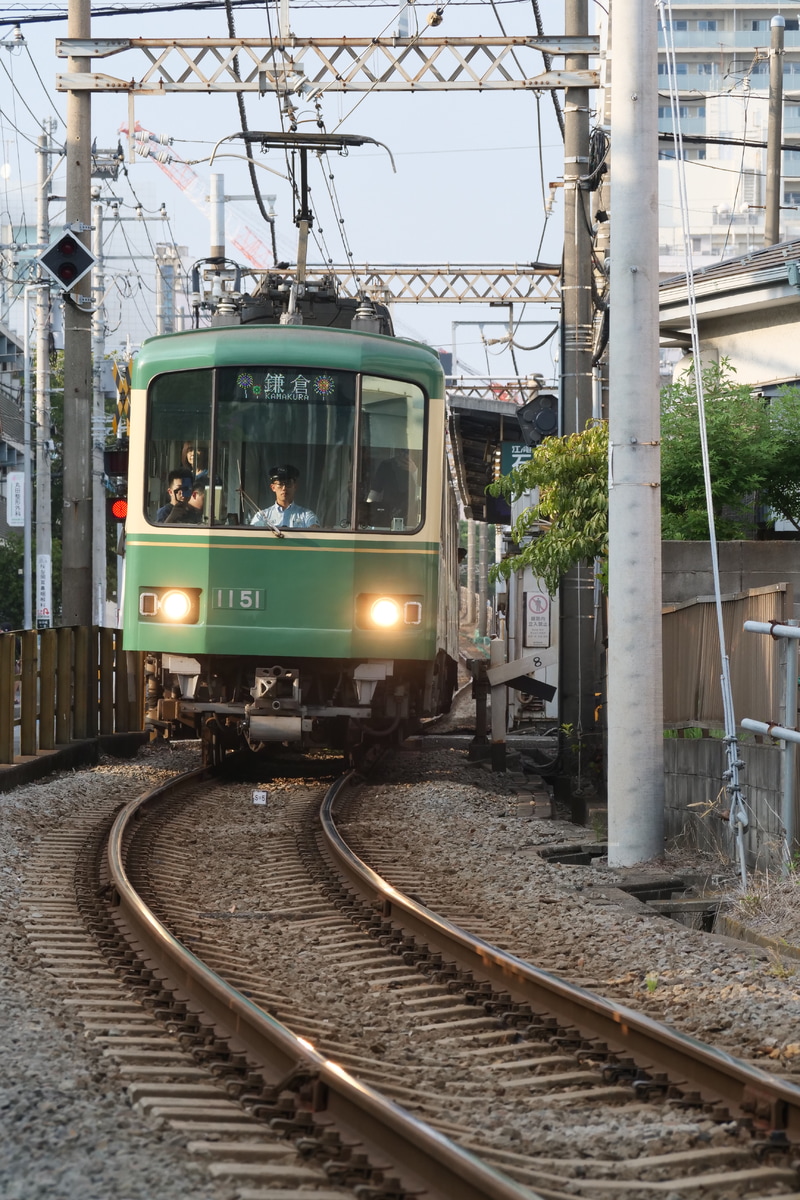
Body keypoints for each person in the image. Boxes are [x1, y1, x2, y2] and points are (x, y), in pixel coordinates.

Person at [250, 464, 320, 529]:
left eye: (288, 483)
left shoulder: (306, 516)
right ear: (273, 487)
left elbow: (316, 534)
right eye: (280, 484)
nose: (284, 488)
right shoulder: (262, 516)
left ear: (295, 486)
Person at [367, 449, 419, 517]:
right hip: (387, 510)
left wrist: (414, 471)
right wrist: (367, 510)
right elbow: (375, 491)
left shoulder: (420, 464)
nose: (405, 456)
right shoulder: (386, 465)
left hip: (411, 512)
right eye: (402, 452)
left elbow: (424, 490)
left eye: (407, 452)